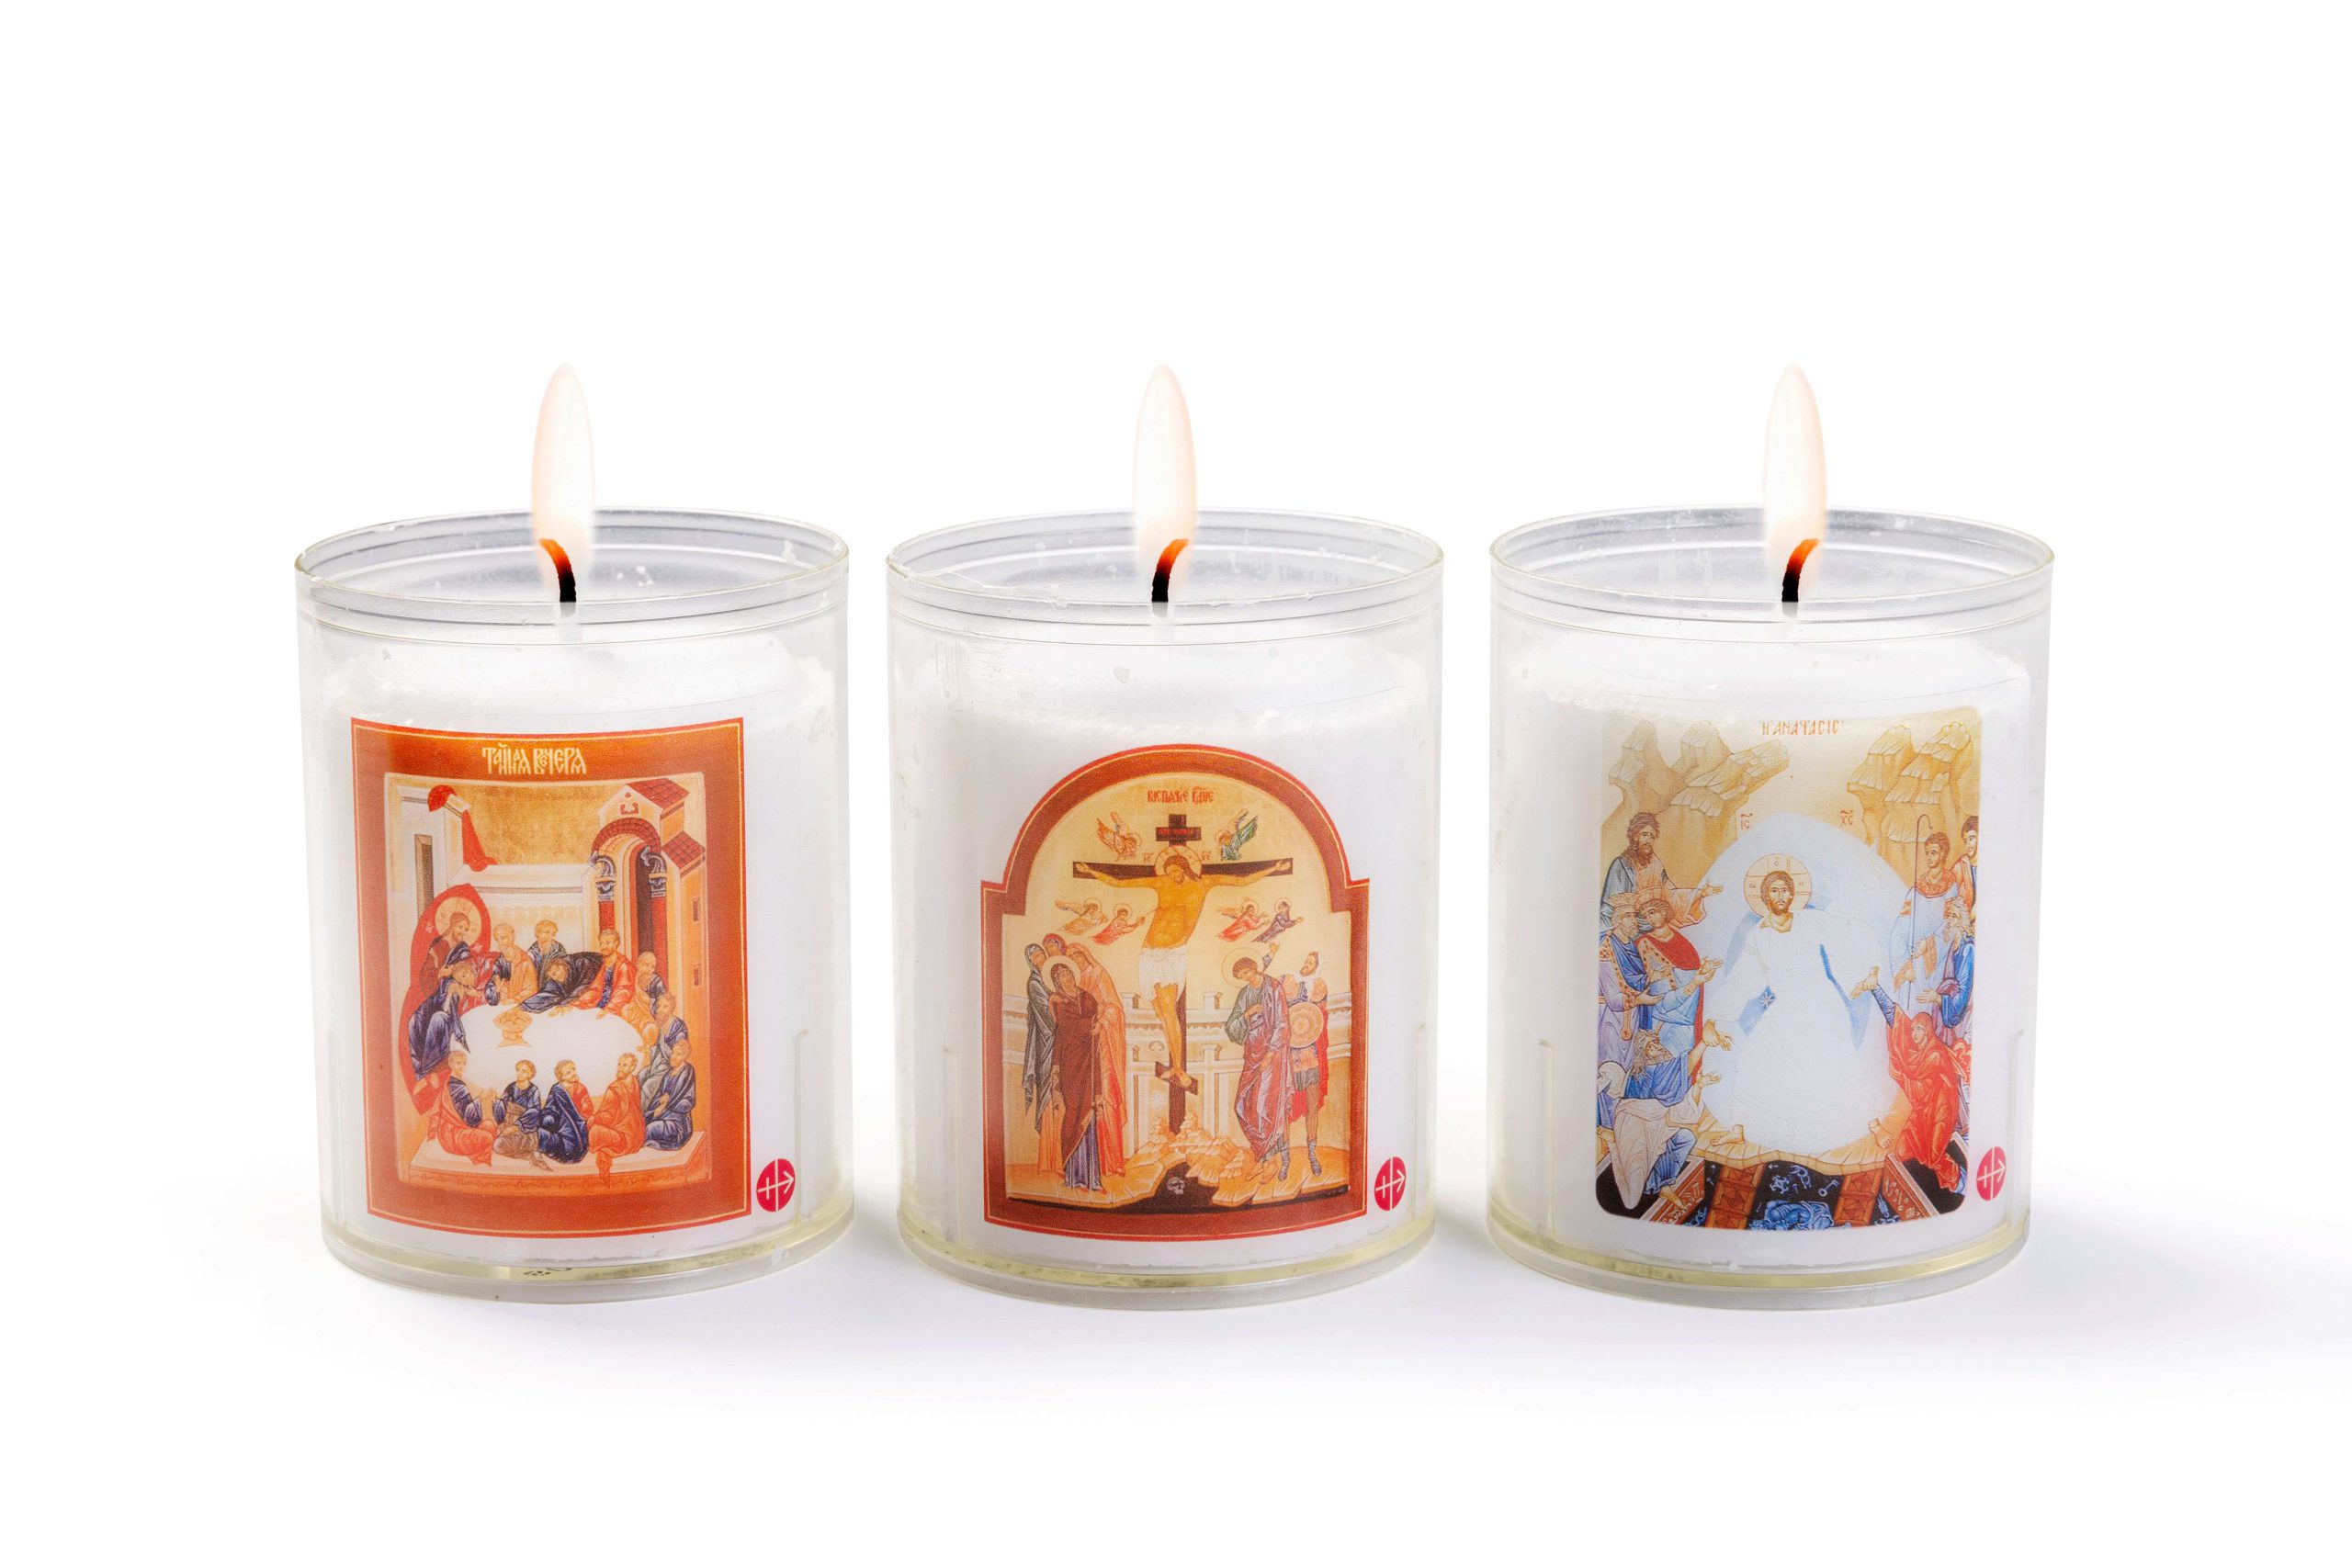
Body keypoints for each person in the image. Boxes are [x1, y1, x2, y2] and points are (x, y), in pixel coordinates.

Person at [1073, 845, 1292, 1115]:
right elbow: (1119, 883)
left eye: (1177, 870)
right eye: (1169, 871)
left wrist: (1273, 868)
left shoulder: (1203, 884)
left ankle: (1179, 1069)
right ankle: (1175, 1066)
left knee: (1169, 1012)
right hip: (1149, 952)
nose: (1173, 875)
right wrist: (1090, 871)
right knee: (1161, 1014)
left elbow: (1241, 881)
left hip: (1171, 955)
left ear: (1186, 867)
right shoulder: (1161, 883)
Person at [1703, 862, 1896, 1156]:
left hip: (1821, 1003)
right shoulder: (1758, 934)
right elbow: (1742, 978)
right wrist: (1714, 1018)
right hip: (1787, 1006)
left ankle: (1873, 1124)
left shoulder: (1809, 921)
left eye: (1785, 890)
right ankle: (1739, 1128)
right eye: (1774, 891)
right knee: (1753, 1055)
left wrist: (1870, 966)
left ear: (1793, 894)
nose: (1780, 895)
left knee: (1841, 1060)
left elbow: (1848, 930)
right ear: (1765, 897)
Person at [1853, 968, 1971, 1191]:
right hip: (1922, 1110)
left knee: (1933, 1154)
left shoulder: (1934, 1054)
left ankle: (1961, 1183)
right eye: (1914, 1029)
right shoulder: (1915, 1053)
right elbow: (1896, 1022)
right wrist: (1876, 989)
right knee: (1903, 1150)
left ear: (1927, 1032)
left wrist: (1907, 1079)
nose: (1915, 1034)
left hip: (1940, 1111)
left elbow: (1927, 1083)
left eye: (1919, 1030)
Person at [1600, 812, 1719, 936]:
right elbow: (1609, 906)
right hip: (1632, 928)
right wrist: (1610, 932)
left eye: (1652, 837)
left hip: (1658, 924)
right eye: (1644, 835)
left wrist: (1700, 893)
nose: (1648, 840)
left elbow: (1671, 894)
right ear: (1635, 837)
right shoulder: (1621, 865)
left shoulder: (1655, 864)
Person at [1067, 945, 1128, 1179]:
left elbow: (1114, 1008)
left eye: (1079, 956)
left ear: (1086, 955)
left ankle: (1114, 1161)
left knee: (1108, 1099)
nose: (1077, 961)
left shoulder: (1099, 974)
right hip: (1086, 1049)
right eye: (1072, 958)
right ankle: (1095, 1163)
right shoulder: (1077, 981)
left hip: (1104, 1045)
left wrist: (1102, 1022)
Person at [1226, 954, 1292, 1173]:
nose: (1245, 977)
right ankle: (1261, 1155)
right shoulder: (1245, 993)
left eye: (1246, 972)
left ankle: (1270, 1161)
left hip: (1271, 1054)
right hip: (1252, 1053)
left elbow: (1282, 1023)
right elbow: (1231, 1026)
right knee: (1244, 1104)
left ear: (1253, 968)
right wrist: (1249, 1013)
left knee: (1265, 1106)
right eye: (1241, 976)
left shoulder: (1273, 988)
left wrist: (1270, 1055)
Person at [1046, 960, 1103, 1191]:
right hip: (1070, 1062)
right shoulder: (1058, 1002)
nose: (1067, 977)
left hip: (1088, 1060)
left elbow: (1097, 1016)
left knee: (1088, 1107)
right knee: (1073, 1112)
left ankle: (1090, 1177)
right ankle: (1072, 1174)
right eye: (1061, 976)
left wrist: (1099, 1026)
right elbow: (1067, 1028)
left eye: (1068, 973)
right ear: (1057, 982)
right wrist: (1092, 1024)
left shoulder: (1087, 997)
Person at [1890, 831, 1962, 1012]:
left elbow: (1951, 923)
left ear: (1943, 854)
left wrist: (1929, 945)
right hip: (1912, 960)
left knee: (1928, 1007)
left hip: (1937, 961)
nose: (1929, 857)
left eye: (1934, 853)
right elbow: (1902, 924)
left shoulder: (1950, 886)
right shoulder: (1917, 887)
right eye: (1928, 853)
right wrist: (1905, 962)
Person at [1277, 953, 1331, 1179]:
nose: (1306, 965)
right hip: (1288, 1056)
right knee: (1284, 1107)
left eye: (1311, 963)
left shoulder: (1319, 986)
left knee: (1312, 1105)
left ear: (1316, 967)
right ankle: (1285, 1160)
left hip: (1310, 1055)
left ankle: (1312, 1154)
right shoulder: (1287, 980)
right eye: (1306, 961)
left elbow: (1321, 1018)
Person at [412, 1048, 494, 1165]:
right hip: (452, 1134)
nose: (462, 1066)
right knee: (488, 1137)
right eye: (458, 1063)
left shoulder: (458, 1080)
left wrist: (484, 1094)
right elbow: (468, 1117)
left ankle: (478, 1151)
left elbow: (474, 1093)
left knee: (490, 1125)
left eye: (464, 1063)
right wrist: (481, 1098)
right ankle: (480, 1158)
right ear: (450, 1064)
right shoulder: (453, 1085)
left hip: (462, 1126)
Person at [406, 956, 480, 1080]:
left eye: (465, 975)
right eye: (461, 978)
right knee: (415, 1022)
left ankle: (426, 1068)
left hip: (459, 1024)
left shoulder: (475, 987)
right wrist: (450, 994)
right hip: (450, 1020)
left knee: (438, 1019)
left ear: (472, 972)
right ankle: (420, 1070)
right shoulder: (455, 988)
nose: (465, 978)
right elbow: (445, 1008)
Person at [1018, 942, 1057, 1138]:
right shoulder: (1034, 983)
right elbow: (1045, 1011)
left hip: (1057, 1036)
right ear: (1032, 961)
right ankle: (1048, 1131)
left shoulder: (1052, 976)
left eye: (1042, 953)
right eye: (1037, 956)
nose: (1042, 957)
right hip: (1046, 1040)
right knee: (1047, 1080)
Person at [588, 1054, 646, 1177]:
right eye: (619, 1064)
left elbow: (608, 1117)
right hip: (637, 1137)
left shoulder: (615, 1088)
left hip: (624, 1139)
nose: (619, 1068)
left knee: (594, 1130)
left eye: (624, 1065)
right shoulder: (634, 1081)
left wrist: (594, 1118)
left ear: (632, 1068)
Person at [492, 1059, 549, 1167]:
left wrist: (516, 1126)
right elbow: (502, 1107)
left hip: (525, 1131)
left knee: (504, 1144)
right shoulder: (511, 1087)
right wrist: (496, 1102)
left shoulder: (534, 1090)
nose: (519, 1073)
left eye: (524, 1071)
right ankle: (528, 1156)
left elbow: (534, 1112)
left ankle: (532, 1153)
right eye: (518, 1070)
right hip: (507, 1127)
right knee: (497, 1146)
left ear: (530, 1074)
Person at [641, 1038, 696, 1151]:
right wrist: (660, 1101)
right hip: (662, 1115)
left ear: (685, 1056)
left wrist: (667, 1102)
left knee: (649, 1129)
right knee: (640, 1122)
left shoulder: (687, 1071)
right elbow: (658, 1097)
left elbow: (688, 1102)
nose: (673, 1057)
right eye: (673, 1053)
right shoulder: (667, 1074)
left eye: (678, 1054)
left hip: (677, 1123)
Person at [639, 993, 688, 1112]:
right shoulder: (660, 1023)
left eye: (665, 1006)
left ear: (671, 1008)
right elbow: (655, 1045)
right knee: (641, 1076)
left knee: (649, 1086)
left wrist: (666, 1050)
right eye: (659, 1006)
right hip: (657, 1061)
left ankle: (641, 1114)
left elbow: (679, 1051)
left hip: (669, 1065)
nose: (660, 1009)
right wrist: (648, 1047)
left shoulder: (678, 1026)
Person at [536, 1060, 592, 1165]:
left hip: (576, 1126)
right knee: (544, 1122)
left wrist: (579, 1112)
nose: (573, 1073)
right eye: (568, 1072)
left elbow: (587, 1108)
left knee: (537, 1134)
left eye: (573, 1069)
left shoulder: (580, 1088)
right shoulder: (557, 1089)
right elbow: (549, 1107)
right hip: (558, 1124)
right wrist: (549, 1116)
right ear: (561, 1077)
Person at [578, 928, 635, 1020]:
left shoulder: (624, 966)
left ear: (616, 943)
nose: (604, 947)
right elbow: (595, 989)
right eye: (601, 943)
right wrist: (578, 1003)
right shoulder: (603, 964)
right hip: (599, 1004)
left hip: (615, 1008)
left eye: (607, 943)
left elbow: (623, 992)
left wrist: (609, 1009)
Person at [1951, 816, 1980, 910]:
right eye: (1965, 841)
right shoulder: (1961, 865)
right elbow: (1949, 892)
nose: (1968, 845)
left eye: (1971, 839)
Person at [526, 921, 566, 987]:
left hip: (554, 985)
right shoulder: (531, 952)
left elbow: (564, 968)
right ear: (538, 933)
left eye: (553, 934)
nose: (550, 936)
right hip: (535, 986)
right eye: (547, 932)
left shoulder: (559, 949)